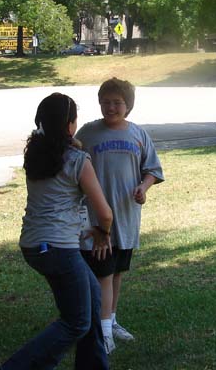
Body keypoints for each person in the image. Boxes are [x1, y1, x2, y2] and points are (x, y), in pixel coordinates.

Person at [0, 92, 114, 370]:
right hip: (58, 249)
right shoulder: (78, 160)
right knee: (76, 322)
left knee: (93, 298)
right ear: (69, 125)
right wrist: (103, 232)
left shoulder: (35, 155)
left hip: (34, 245)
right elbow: (105, 214)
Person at [76, 77, 164, 354]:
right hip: (96, 220)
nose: (111, 107)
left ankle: (111, 321)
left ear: (128, 105)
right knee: (102, 273)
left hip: (126, 219)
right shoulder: (88, 133)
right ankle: (101, 332)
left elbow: (152, 170)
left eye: (117, 102)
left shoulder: (138, 134)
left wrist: (143, 187)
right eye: (106, 102)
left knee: (116, 273)